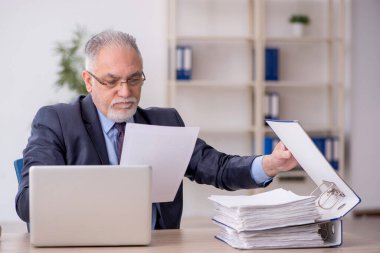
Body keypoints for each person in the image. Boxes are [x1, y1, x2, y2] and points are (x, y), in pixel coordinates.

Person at [15, 30, 298, 229]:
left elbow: (218, 168)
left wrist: (270, 164)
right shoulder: (57, 121)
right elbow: (28, 203)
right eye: (111, 81)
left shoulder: (165, 122)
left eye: (134, 79)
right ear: (88, 81)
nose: (125, 91)